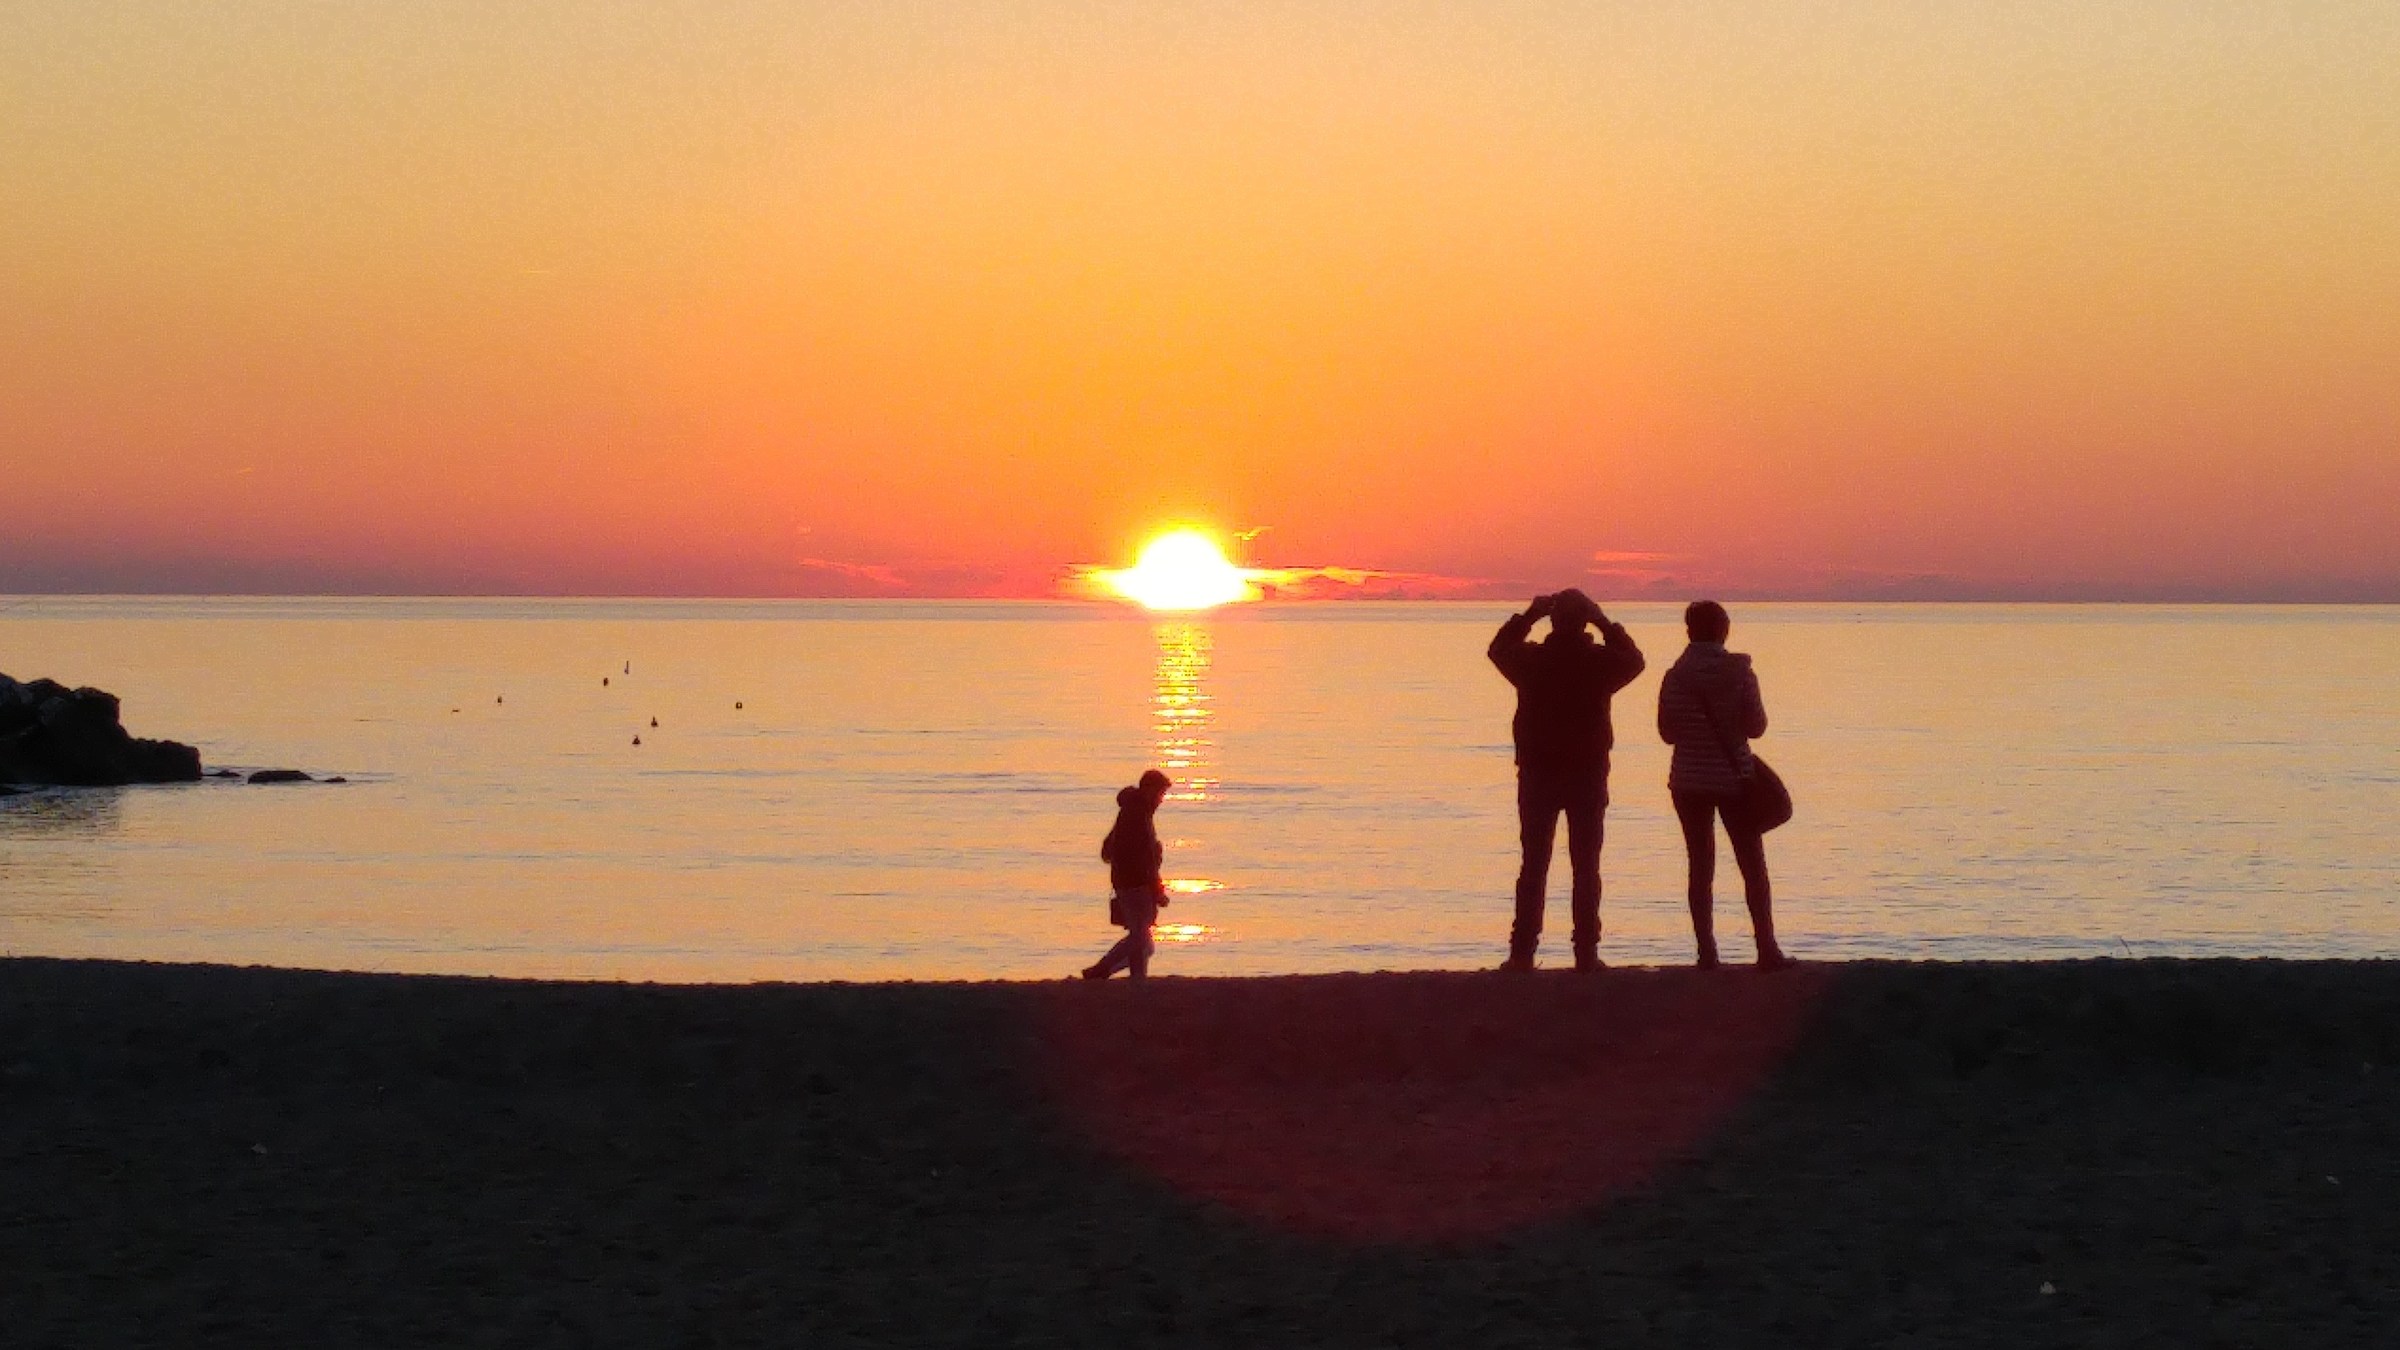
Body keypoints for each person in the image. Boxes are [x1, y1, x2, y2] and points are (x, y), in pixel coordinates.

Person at [1487, 589, 1645, 972]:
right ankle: (1586, 953)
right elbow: (1635, 661)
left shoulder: (1533, 661)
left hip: (1539, 773)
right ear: (1584, 622)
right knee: (1586, 865)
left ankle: (1522, 952)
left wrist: (1529, 614)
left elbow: (1498, 649)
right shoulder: (1598, 663)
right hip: (1586, 774)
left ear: (1554, 622)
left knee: (1534, 865)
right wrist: (1604, 621)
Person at [1656, 600, 1791, 970]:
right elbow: (1756, 728)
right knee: (1751, 863)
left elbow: (1667, 733)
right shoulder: (1740, 672)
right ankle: (1766, 948)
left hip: (1688, 780)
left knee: (1700, 865)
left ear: (1689, 631)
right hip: (1736, 780)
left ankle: (1707, 952)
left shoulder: (1673, 676)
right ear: (1723, 630)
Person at [1083, 769, 1172, 980]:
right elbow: (1144, 859)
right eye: (1160, 793)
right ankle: (1101, 970)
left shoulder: (1133, 811)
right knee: (1141, 939)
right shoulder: (1138, 813)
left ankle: (1137, 979)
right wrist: (1156, 888)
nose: (1161, 799)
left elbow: (1109, 849)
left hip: (1127, 883)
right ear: (1149, 790)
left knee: (1141, 938)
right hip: (1135, 885)